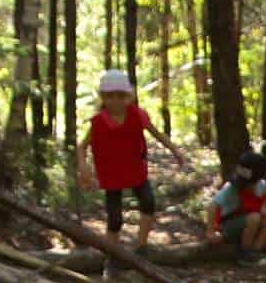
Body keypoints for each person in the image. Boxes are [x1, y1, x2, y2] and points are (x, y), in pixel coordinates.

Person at [81, 69, 188, 244]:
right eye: (110, 96)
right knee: (115, 219)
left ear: (127, 96)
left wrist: (175, 150)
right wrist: (83, 167)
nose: (115, 101)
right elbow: (82, 146)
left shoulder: (137, 115)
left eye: (120, 96)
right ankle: (112, 256)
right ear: (103, 97)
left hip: (135, 169)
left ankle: (141, 246)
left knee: (148, 203)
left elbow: (157, 133)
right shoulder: (99, 122)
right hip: (111, 173)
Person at [207, 148, 266, 261]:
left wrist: (264, 211)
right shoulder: (231, 188)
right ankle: (244, 253)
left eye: (249, 183)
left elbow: (263, 201)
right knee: (254, 218)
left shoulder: (262, 185)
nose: (245, 186)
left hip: (248, 222)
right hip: (227, 225)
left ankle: (256, 251)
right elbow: (213, 205)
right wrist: (211, 231)